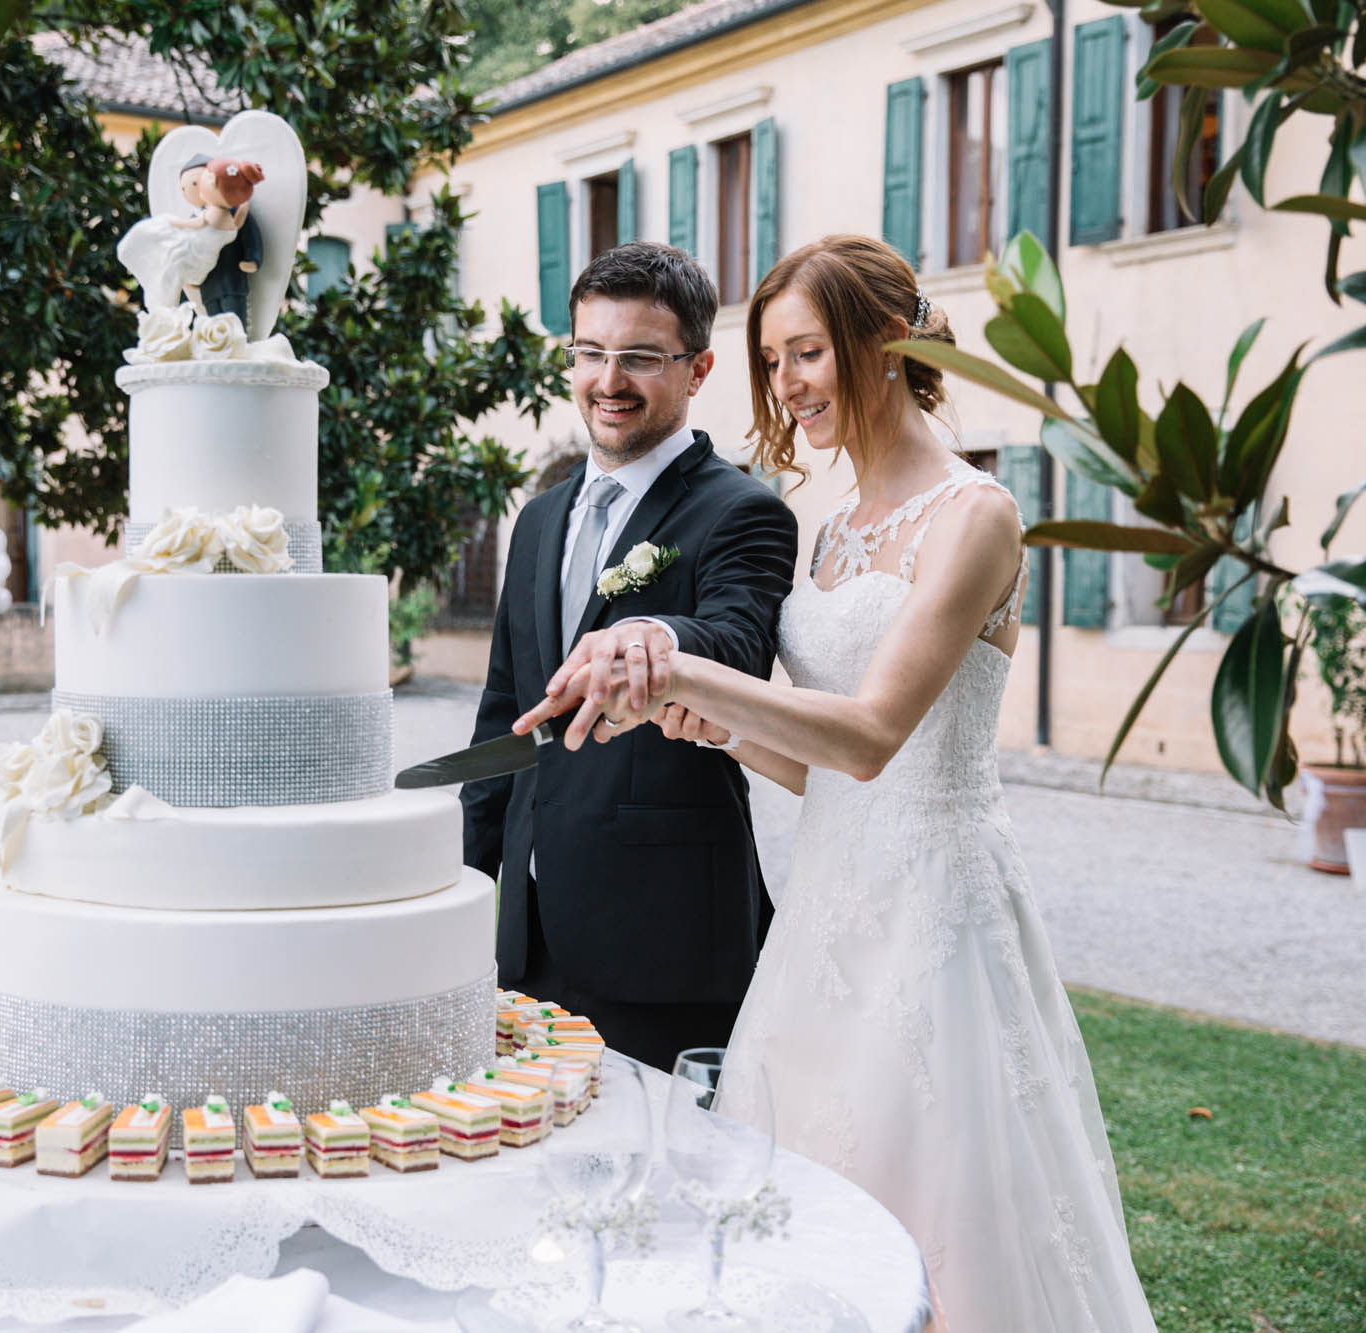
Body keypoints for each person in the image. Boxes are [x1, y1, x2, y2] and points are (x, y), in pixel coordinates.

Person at [515, 234, 1157, 1330]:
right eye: (771, 361)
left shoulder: (976, 516)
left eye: (805, 352)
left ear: (883, 344)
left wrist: (687, 666)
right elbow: (816, 772)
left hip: (932, 918)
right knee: (805, 1221)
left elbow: (869, 738)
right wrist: (707, 727)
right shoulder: (835, 535)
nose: (788, 385)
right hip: (820, 918)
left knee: (941, 1219)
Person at [461, 241, 797, 1073]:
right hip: (527, 942)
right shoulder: (538, 519)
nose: (609, 380)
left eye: (640, 358)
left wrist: (662, 640)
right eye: (590, 353)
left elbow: (737, 644)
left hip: (666, 940)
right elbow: (505, 712)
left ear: (697, 368)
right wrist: (466, 899)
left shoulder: (744, 512)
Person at [115, 156, 263, 318]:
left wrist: (253, 258)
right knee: (213, 319)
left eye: (195, 183)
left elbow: (250, 235)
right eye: (184, 188)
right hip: (207, 284)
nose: (194, 190)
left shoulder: (233, 213)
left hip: (231, 279)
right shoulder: (202, 215)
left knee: (234, 321)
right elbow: (195, 227)